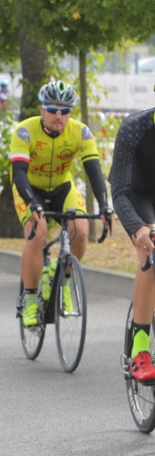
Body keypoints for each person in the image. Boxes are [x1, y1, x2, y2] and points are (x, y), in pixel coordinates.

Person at [10, 80, 111, 328]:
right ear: (42, 110)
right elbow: (19, 173)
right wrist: (32, 203)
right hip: (29, 187)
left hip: (61, 187)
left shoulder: (80, 132)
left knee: (80, 231)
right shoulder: (25, 131)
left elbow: (94, 172)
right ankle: (31, 300)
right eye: (53, 109)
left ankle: (61, 276)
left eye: (65, 111)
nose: (59, 115)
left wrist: (104, 206)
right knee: (38, 234)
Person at [110, 100, 155, 380]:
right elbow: (121, 193)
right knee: (150, 249)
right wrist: (138, 229)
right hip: (137, 195)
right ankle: (139, 348)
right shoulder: (133, 129)